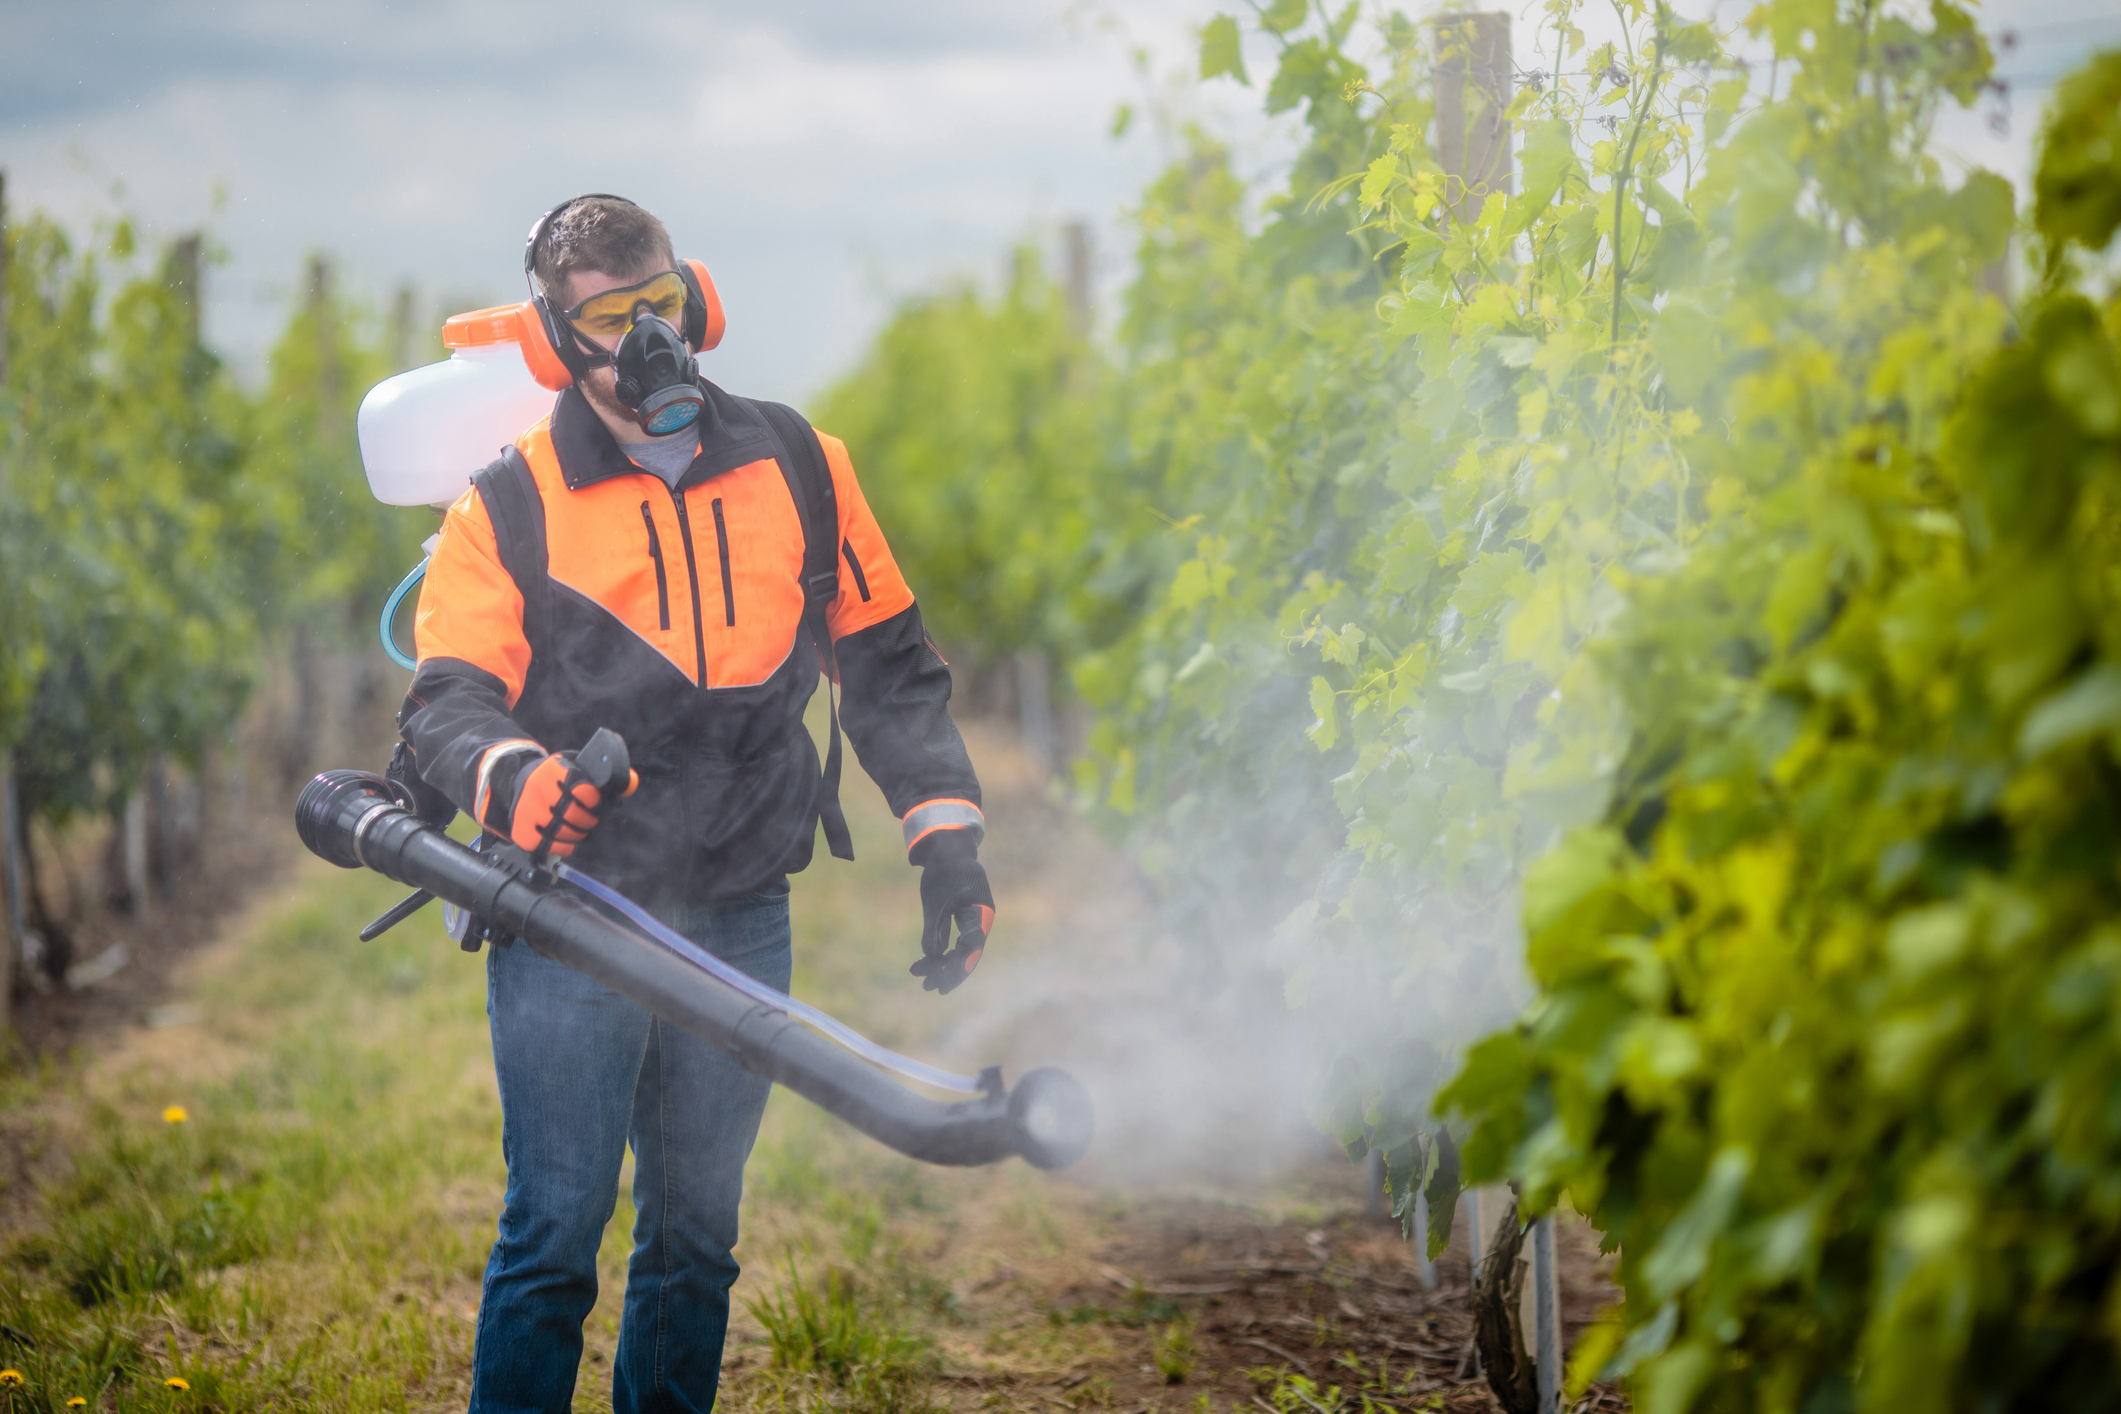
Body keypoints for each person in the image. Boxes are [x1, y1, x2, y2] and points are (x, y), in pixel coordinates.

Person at [396, 194, 995, 1413]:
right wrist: (518, 780)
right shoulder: (505, 504)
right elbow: (445, 705)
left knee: (697, 1237)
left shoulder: (801, 466)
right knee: (555, 1234)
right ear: (561, 343)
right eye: (611, 320)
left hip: (740, 904)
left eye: (659, 304)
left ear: (697, 298)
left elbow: (887, 665)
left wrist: (947, 837)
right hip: (572, 913)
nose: (647, 337)